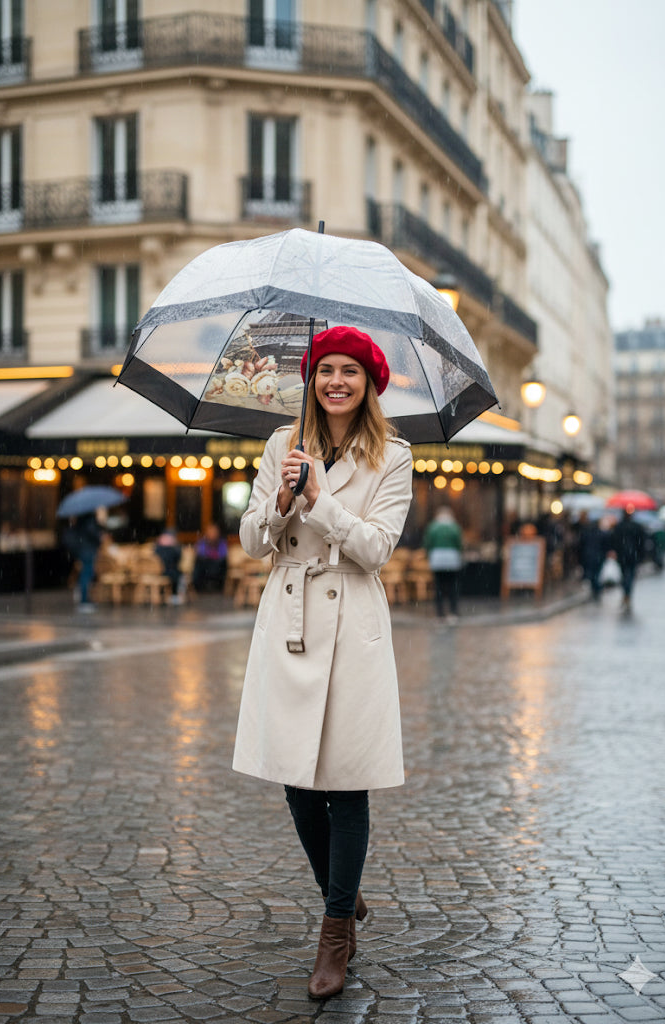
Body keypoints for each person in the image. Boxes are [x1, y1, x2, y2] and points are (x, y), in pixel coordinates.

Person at [233, 325, 413, 1000]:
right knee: (295, 777)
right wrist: (280, 501)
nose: (336, 381)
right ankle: (343, 893)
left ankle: (335, 929)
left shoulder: (393, 455)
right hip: (289, 616)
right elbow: (251, 540)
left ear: (369, 384)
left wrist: (319, 500)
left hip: (352, 623)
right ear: (310, 377)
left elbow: (375, 548)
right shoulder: (282, 444)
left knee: (346, 778)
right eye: (326, 369)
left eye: (351, 372)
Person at [423, 506, 463, 622]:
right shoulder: (454, 527)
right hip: (452, 558)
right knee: (452, 586)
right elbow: (459, 543)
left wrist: (428, 554)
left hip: (437, 558)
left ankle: (440, 612)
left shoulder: (433, 527)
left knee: (439, 586)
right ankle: (453, 611)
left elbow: (427, 543)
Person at [62, 511, 103, 611]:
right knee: (87, 574)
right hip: (88, 550)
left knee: (86, 573)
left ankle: (84, 598)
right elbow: (93, 533)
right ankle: (84, 600)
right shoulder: (89, 519)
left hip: (83, 550)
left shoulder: (81, 519)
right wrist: (99, 535)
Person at [610, 504, 646, 611]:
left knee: (625, 575)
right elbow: (641, 542)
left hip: (622, 555)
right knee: (629, 576)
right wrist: (640, 555)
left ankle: (626, 595)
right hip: (632, 555)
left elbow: (614, 540)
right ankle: (627, 595)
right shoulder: (636, 526)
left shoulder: (619, 526)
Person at [576, 511, 608, 601]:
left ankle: (595, 589)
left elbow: (581, 545)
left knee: (592, 574)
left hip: (589, 556)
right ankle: (596, 589)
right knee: (596, 574)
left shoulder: (586, 533)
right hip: (597, 557)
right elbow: (605, 545)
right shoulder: (601, 533)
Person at [192, 523, 228, 593]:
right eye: (210, 532)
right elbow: (201, 553)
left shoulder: (222, 543)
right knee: (200, 561)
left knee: (222, 562)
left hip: (218, 568)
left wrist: (211, 556)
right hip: (205, 568)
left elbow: (223, 555)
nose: (212, 535)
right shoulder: (202, 543)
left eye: (214, 532)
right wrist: (212, 556)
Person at [154, 528, 183, 603]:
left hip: (170, 570)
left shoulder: (174, 548)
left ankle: (174, 594)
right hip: (159, 571)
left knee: (176, 575)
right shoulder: (158, 548)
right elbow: (155, 558)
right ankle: (164, 594)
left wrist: (172, 546)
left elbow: (178, 559)